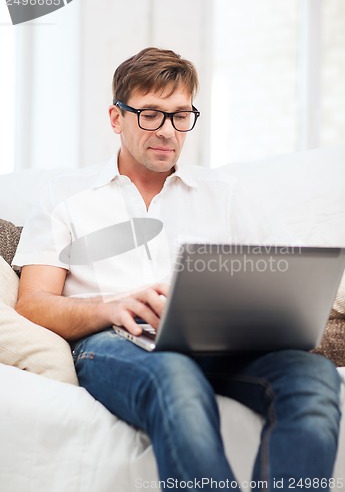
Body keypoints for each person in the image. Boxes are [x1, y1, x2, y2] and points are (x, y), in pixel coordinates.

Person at [13, 47, 341, 491]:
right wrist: (112, 306)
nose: (167, 131)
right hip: (114, 342)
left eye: (181, 115)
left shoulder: (225, 194)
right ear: (116, 117)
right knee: (176, 379)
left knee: (315, 379)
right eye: (151, 114)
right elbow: (32, 305)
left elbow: (281, 281)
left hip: (221, 344)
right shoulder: (66, 196)